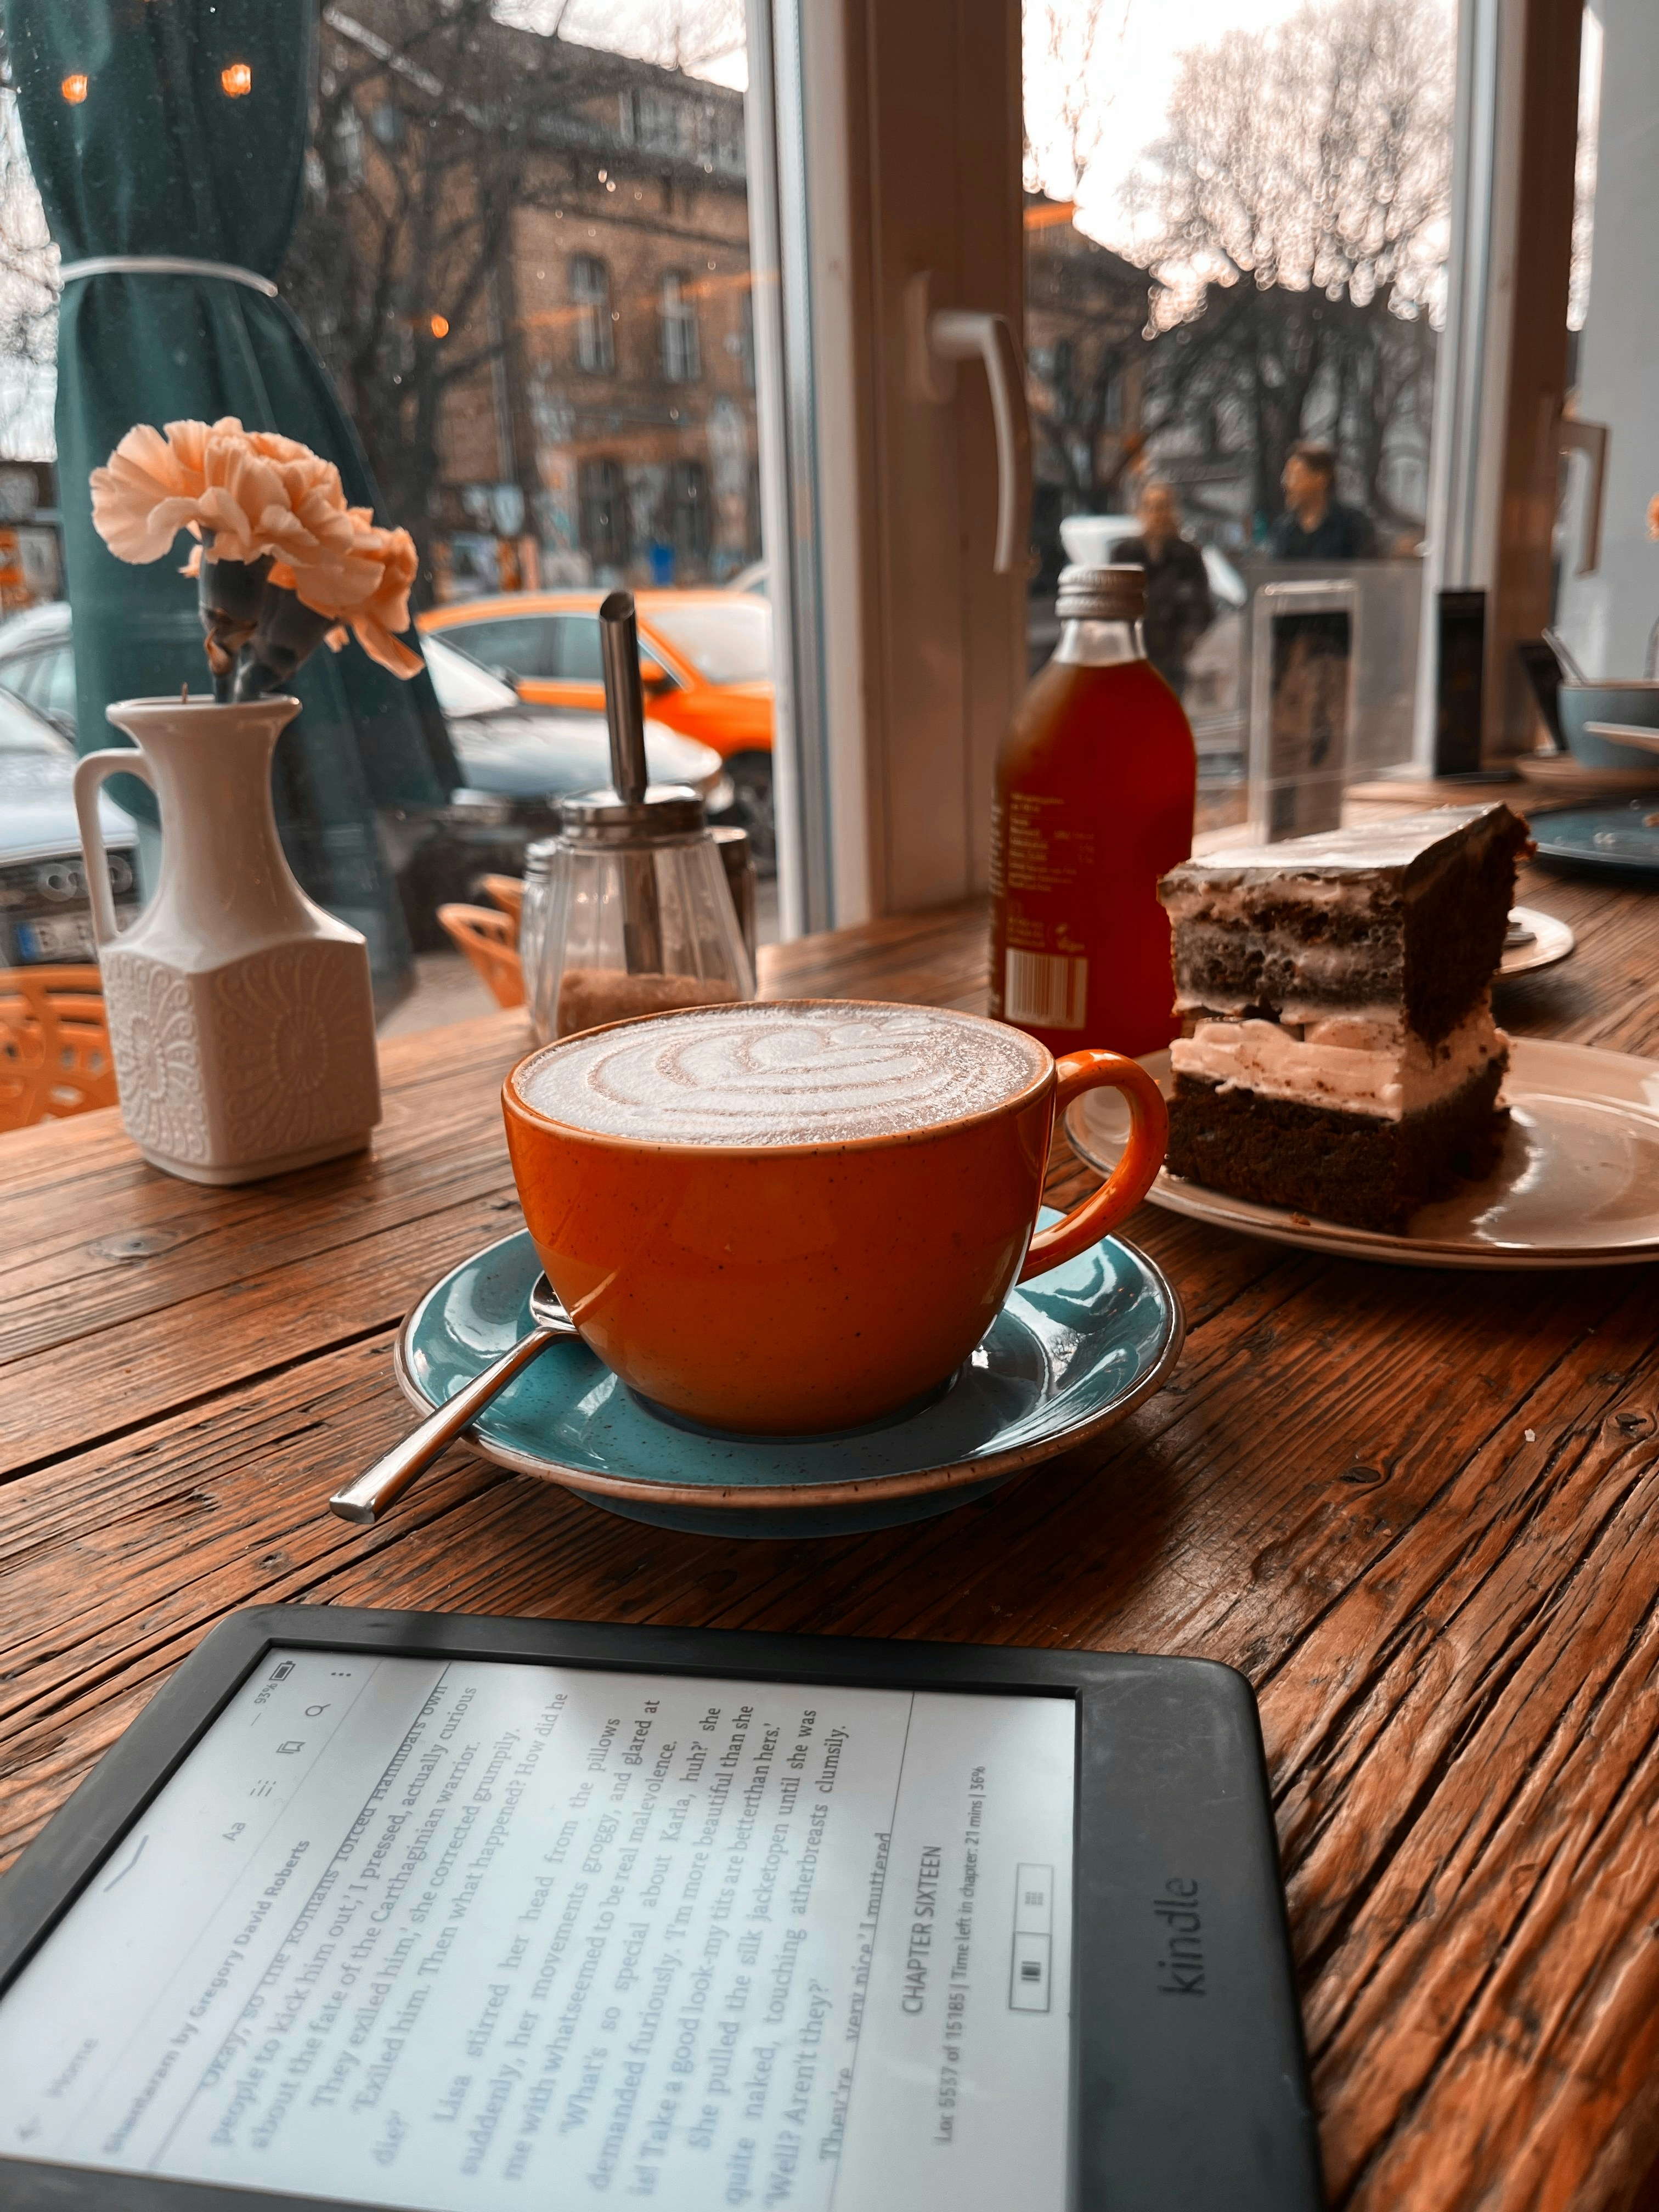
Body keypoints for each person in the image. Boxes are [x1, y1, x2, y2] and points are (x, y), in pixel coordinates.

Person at [1109, 479, 1214, 698]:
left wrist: (1187, 640)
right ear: (1140, 511)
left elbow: (1201, 606)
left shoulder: (1188, 557)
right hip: (1134, 655)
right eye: (1150, 507)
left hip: (1172, 657)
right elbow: (1113, 605)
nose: (1156, 514)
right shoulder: (1124, 555)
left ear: (1172, 510)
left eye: (1162, 506)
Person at [1267, 442, 1376, 561]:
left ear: (1320, 479)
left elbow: (1366, 573)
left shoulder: (1353, 526)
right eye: (1286, 477)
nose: (1287, 485)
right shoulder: (1283, 530)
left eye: (1295, 477)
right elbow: (1277, 575)